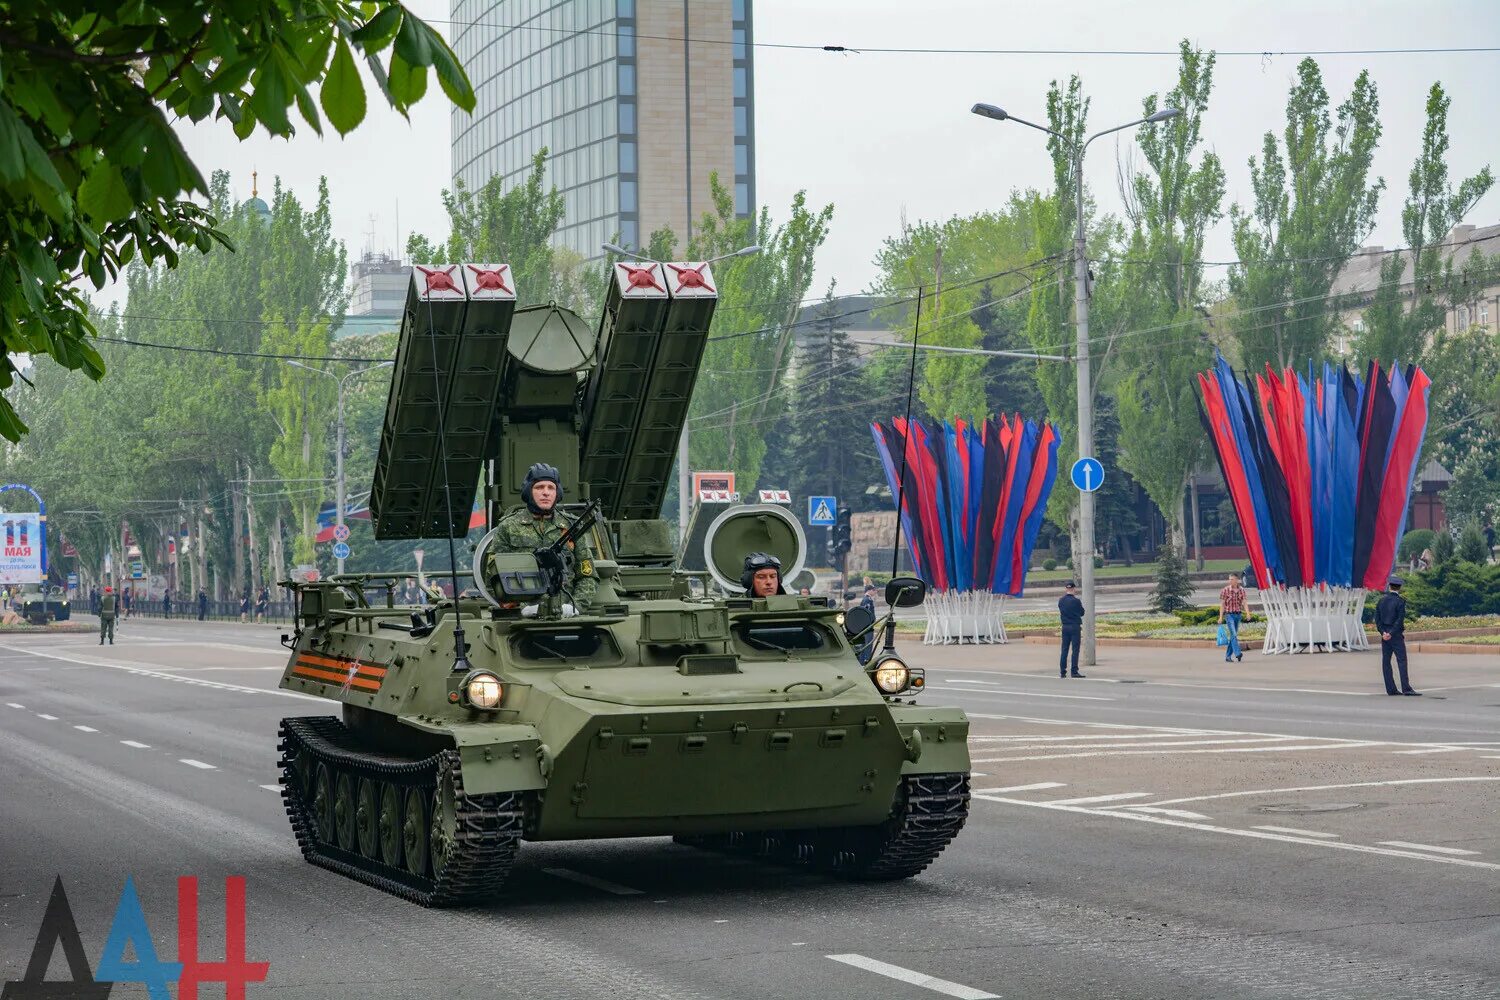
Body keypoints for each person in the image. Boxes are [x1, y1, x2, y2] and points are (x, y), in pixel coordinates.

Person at [488, 463, 597, 613]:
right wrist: (518, 608)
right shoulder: (508, 526)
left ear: (557, 492)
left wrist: (575, 607)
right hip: (523, 616)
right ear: (528, 491)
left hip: (565, 613)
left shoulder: (571, 526)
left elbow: (587, 575)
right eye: (539, 487)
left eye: (551, 488)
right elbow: (493, 576)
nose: (546, 493)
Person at [1375, 577, 1418, 696]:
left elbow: (1377, 619)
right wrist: (1391, 633)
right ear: (1400, 588)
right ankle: (1406, 688)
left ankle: (1391, 689)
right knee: (1402, 660)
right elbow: (1399, 620)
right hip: (1396, 635)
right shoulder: (1400, 602)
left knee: (1386, 662)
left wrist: (1383, 632)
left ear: (1389, 586)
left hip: (1385, 636)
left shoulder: (1381, 600)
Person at [1058, 581, 1085, 678]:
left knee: (1064, 649)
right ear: (1073, 589)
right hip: (1074, 627)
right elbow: (1082, 613)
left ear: (1066, 589)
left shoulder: (1061, 600)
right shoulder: (1076, 601)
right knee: (1075, 649)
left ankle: (1062, 671)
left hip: (1065, 627)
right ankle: (1074, 671)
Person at [1218, 572, 1247, 663]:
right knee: (1234, 634)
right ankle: (1238, 653)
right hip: (1229, 615)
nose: (1230, 581)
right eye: (1229, 579)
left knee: (1233, 637)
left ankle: (1228, 656)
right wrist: (1220, 617)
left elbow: (1244, 602)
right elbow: (1222, 604)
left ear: (1237, 580)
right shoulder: (1225, 590)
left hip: (1238, 615)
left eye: (1232, 579)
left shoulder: (1242, 590)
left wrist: (1248, 613)